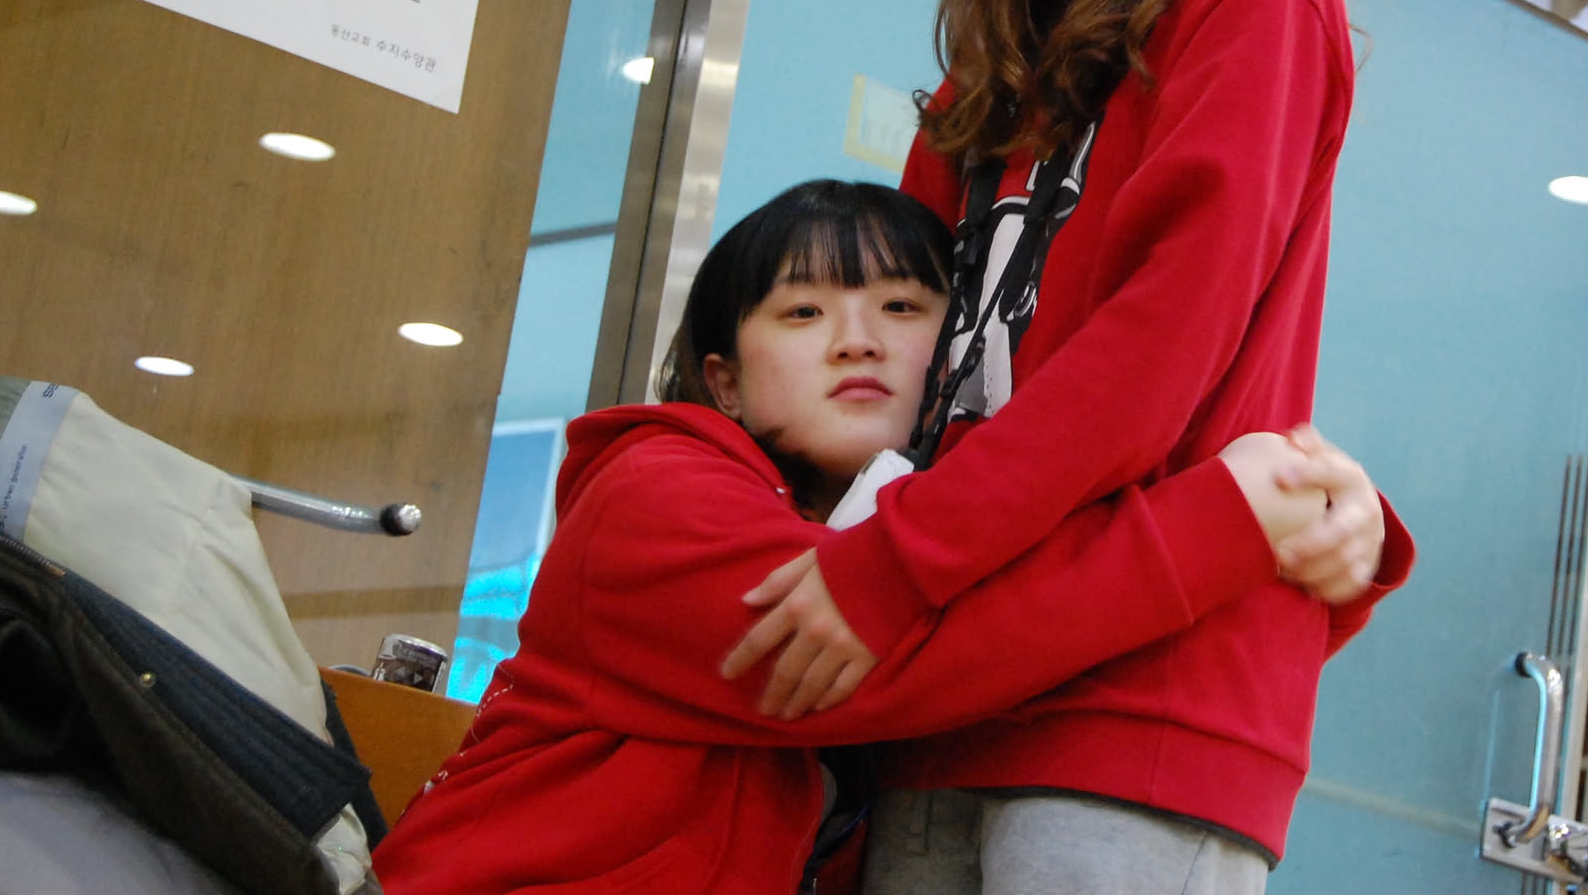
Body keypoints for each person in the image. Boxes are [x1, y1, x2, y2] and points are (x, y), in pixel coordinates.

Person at [726, 0, 1416, 893]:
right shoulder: (980, 82)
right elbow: (902, 377)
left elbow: (1164, 339)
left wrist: (894, 562)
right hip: (954, 674)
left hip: (1143, 689)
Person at [369, 180, 1357, 895]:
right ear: (723, 380)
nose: (859, 340)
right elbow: (907, 662)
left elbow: (1066, 636)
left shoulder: (911, 534)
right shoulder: (653, 492)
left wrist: (1329, 532)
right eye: (804, 311)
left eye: (901, 306)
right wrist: (1228, 523)